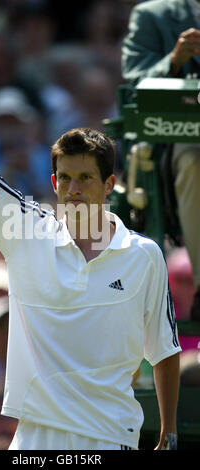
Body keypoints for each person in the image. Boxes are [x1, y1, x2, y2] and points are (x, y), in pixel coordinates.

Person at [0, 18, 182, 451]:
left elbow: (164, 349)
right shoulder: (23, 229)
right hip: (32, 442)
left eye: (85, 177)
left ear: (109, 185)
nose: (74, 188)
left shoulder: (144, 255)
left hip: (110, 440)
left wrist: (170, 432)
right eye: (65, 178)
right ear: (53, 182)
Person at [122, 0, 200, 320]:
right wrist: (174, 60)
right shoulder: (154, 15)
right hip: (180, 140)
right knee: (194, 157)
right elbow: (134, 84)